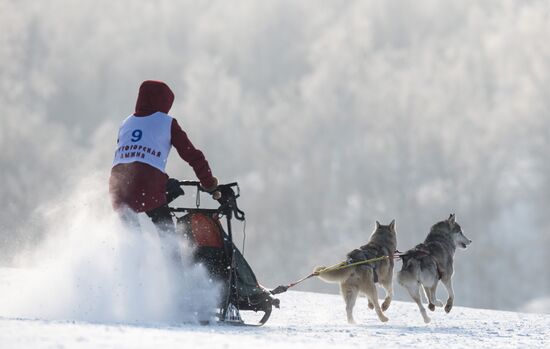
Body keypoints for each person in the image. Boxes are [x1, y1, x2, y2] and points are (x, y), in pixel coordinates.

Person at [109, 80, 218, 234]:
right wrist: (209, 184)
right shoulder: (167, 123)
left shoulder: (125, 123)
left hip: (118, 186)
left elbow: (131, 158)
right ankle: (171, 256)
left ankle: (131, 254)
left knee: (130, 236)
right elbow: (193, 155)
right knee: (167, 235)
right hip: (148, 183)